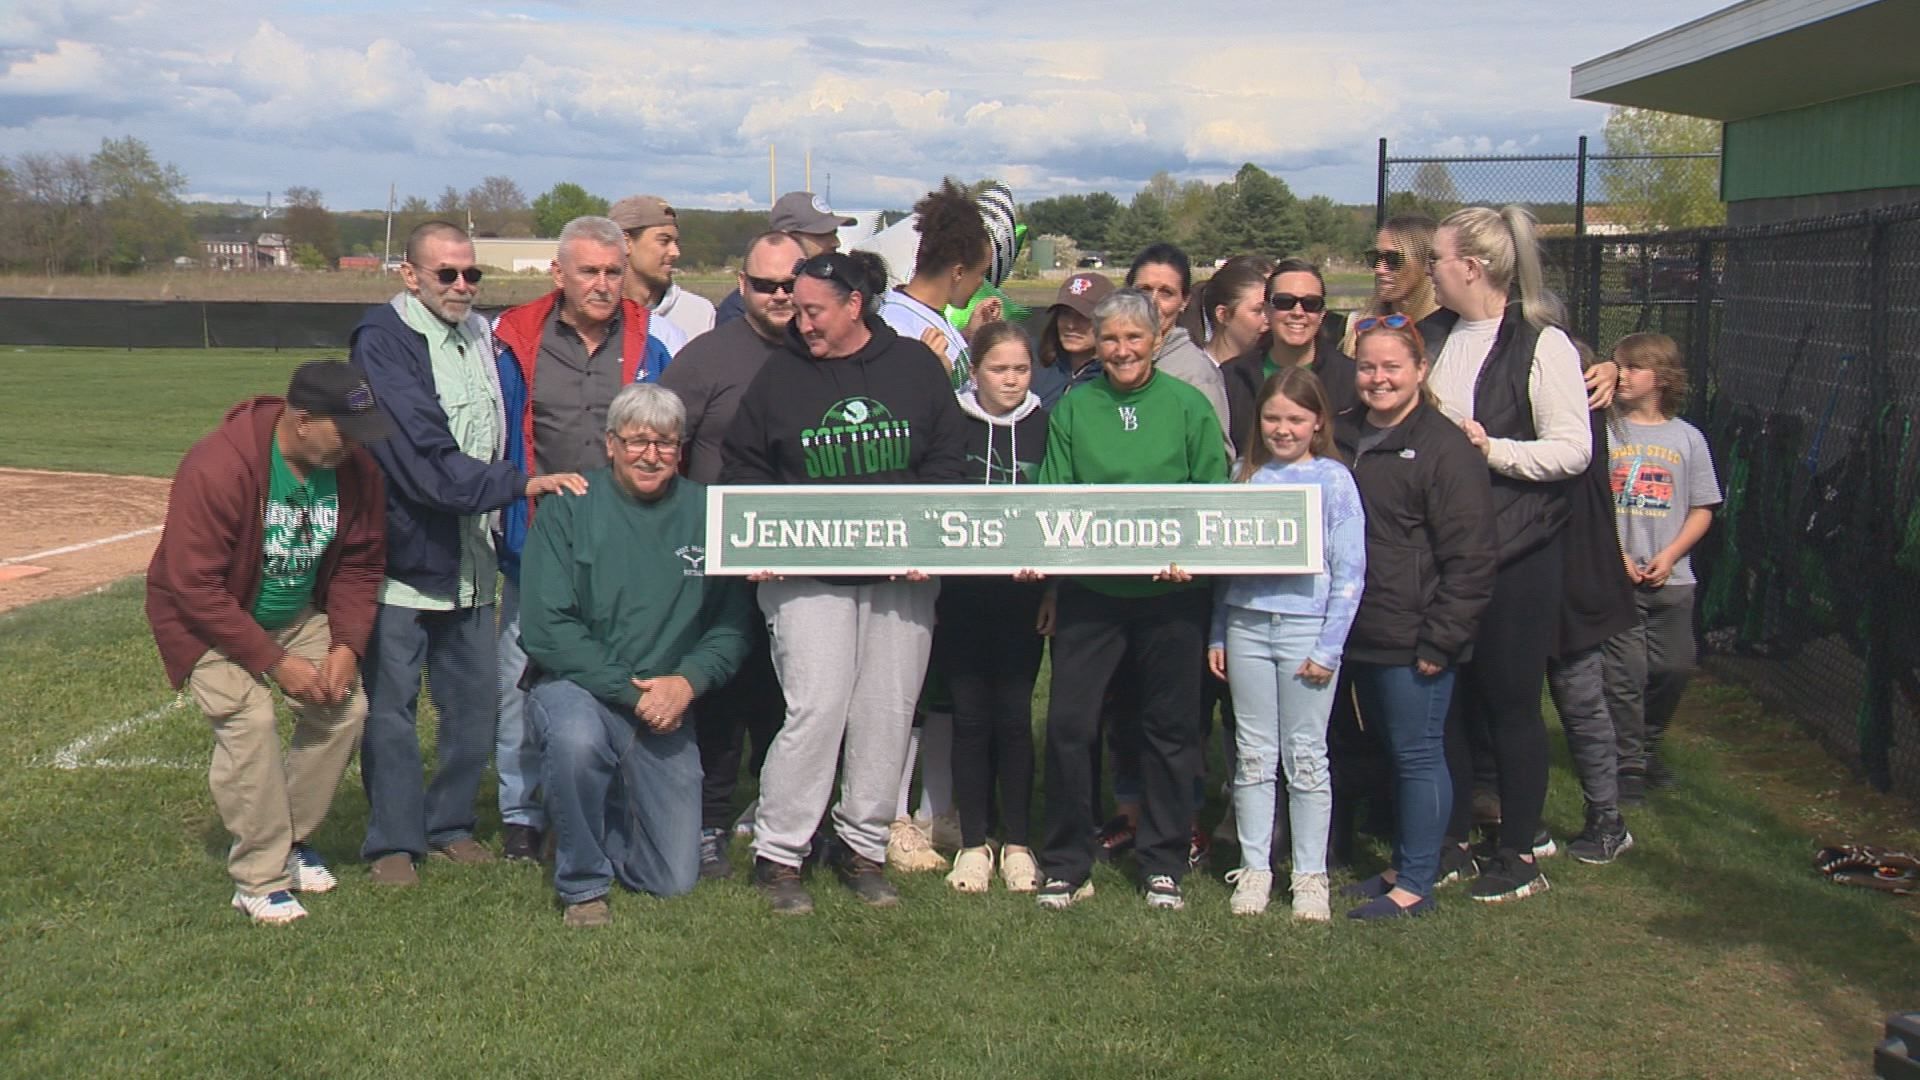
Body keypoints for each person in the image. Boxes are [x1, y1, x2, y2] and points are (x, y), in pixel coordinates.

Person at [719, 250, 970, 915]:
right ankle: (780, 854)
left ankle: (863, 846)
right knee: (817, 706)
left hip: (901, 574)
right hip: (809, 575)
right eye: (796, 310)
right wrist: (759, 536)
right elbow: (744, 466)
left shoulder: (915, 368)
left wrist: (928, 539)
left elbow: (949, 460)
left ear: (854, 305)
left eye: (813, 311)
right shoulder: (780, 377)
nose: (801, 323)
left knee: (888, 711)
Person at [350, 220, 588, 886]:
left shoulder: (484, 335)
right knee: (392, 709)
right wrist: (518, 485)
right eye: (445, 273)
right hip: (405, 557)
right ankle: (393, 842)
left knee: (475, 702)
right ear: (410, 274)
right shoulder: (383, 342)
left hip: (474, 560)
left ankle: (449, 823)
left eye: (471, 274)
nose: (461, 285)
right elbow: (421, 460)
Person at [146, 361, 390, 923]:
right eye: (344, 431)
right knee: (250, 718)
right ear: (303, 420)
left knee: (344, 707)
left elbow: (360, 562)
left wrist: (346, 646)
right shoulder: (218, 468)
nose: (355, 445)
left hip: (290, 612)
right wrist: (275, 664)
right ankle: (258, 878)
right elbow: (194, 586)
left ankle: (292, 841)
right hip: (204, 618)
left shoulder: (357, 471)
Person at [519, 384, 754, 927]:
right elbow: (547, 630)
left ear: (682, 448)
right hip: (579, 687)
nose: (651, 455)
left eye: (665, 443)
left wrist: (688, 683)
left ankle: (596, 823)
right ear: (610, 445)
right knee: (577, 742)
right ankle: (583, 883)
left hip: (668, 699)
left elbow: (732, 624)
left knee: (674, 879)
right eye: (637, 441)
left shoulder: (708, 511)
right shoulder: (568, 510)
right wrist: (629, 691)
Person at [1030, 288, 1231, 912]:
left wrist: (1188, 560)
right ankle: (1067, 860)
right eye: (1110, 338)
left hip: (1169, 597)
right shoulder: (1074, 407)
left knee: (1168, 729)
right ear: (1096, 340)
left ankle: (1163, 860)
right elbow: (1054, 498)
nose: (1121, 350)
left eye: (1133, 338)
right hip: (1092, 594)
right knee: (1069, 725)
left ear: (1155, 341)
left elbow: (1210, 496)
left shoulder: (1187, 404)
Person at [489, 215, 676, 864]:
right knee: (521, 673)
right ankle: (520, 812)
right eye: (589, 271)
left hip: (627, 544)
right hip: (540, 541)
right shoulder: (515, 340)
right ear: (559, 273)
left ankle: (616, 799)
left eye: (612, 271)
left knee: (624, 670)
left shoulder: (652, 342)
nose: (601, 284)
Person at [1419, 205, 1591, 904]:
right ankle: (1454, 838)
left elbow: (1573, 448)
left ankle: (1519, 849)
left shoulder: (1541, 345)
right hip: (1442, 551)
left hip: (1518, 551)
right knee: (1447, 700)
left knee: (1513, 703)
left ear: (1474, 267)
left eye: (1436, 257)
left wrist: (1494, 450)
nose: (1427, 269)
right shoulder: (1433, 336)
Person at [1335, 316, 1497, 920]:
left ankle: (1418, 884)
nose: (1378, 379)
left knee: (1418, 753)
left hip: (1414, 634)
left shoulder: (1444, 447)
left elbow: (1472, 557)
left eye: (1391, 368)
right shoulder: (1341, 433)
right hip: (1357, 627)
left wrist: (1444, 637)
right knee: (1388, 751)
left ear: (1420, 371)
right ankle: (1402, 863)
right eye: (1368, 367)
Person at [659, 229, 807, 878]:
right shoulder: (705, 359)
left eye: (789, 284)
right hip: (718, 558)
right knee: (720, 696)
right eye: (765, 284)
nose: (778, 296)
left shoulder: (824, 354)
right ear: (742, 285)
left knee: (794, 696)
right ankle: (712, 819)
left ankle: (786, 819)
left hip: (806, 555)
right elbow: (658, 448)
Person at [1207, 367, 1365, 920]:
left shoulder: (1333, 481)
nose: (1282, 429)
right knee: (1252, 756)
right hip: (1248, 626)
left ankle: (1309, 876)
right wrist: (1219, 630)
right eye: (1273, 418)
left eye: (1295, 419)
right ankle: (1254, 869)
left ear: (1317, 421)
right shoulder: (1242, 476)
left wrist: (1329, 646)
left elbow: (1351, 571)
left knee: (1305, 757)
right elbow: (1225, 567)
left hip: (1306, 630)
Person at [936, 322, 1051, 894]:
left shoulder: (1045, 426)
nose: (1010, 380)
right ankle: (973, 842)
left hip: (1023, 598)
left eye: (1021, 369)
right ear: (975, 370)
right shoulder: (951, 423)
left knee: (1013, 717)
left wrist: (1050, 583)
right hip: (961, 596)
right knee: (969, 717)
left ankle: (1019, 842)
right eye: (998, 369)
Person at [1602, 332, 1720, 803]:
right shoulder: (1605, 432)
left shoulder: (1688, 439)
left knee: (1673, 667)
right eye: (1619, 366)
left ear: (1663, 378)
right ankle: (1627, 764)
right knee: (1626, 672)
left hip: (1672, 580)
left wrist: (1669, 556)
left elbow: (1703, 507)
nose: (1622, 375)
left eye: (1633, 367)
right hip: (1619, 578)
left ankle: (1648, 747)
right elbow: (1591, 505)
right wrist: (1617, 555)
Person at [1546, 337, 1640, 864]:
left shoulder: (1584, 395)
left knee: (1581, 698)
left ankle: (1606, 816)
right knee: (1506, 704)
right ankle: (1514, 817)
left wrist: (1604, 369)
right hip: (1522, 563)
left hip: (1575, 569)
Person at [1222, 259, 1358, 459]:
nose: (1298, 312)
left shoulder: (1350, 378)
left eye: (1310, 304)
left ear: (1322, 315)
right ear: (1267, 311)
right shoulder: (1232, 378)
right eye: (1284, 302)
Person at [878, 179, 1002, 391]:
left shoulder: (925, 313)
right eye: (981, 274)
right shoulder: (895, 328)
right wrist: (931, 375)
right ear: (959, 272)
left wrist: (968, 335)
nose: (981, 284)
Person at [1125, 243, 1233, 450]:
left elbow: (1217, 456)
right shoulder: (1108, 361)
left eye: (1166, 293)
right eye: (1144, 290)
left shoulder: (1197, 375)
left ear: (1184, 302)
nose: (1152, 302)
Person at [714, 192, 855, 326]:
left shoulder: (832, 290)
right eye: (822, 234)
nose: (836, 242)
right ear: (787, 237)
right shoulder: (740, 311)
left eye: (834, 233)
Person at [608, 194, 710, 352]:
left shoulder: (700, 313)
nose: (675, 252)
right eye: (664, 241)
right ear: (625, 243)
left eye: (676, 242)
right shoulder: (596, 311)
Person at [1338, 214, 1440, 356]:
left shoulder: (1450, 333)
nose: (1379, 269)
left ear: (1425, 264)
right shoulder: (1353, 326)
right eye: (1375, 258)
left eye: (1392, 259)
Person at [1032, 271, 1115, 408]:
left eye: (1083, 316)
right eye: (1065, 314)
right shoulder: (1030, 358)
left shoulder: (1114, 376)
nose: (1071, 325)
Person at [1199, 257, 1276, 371]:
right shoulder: (1192, 375)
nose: (1268, 319)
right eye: (1258, 311)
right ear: (1223, 315)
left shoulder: (1265, 373)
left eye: (1269, 309)